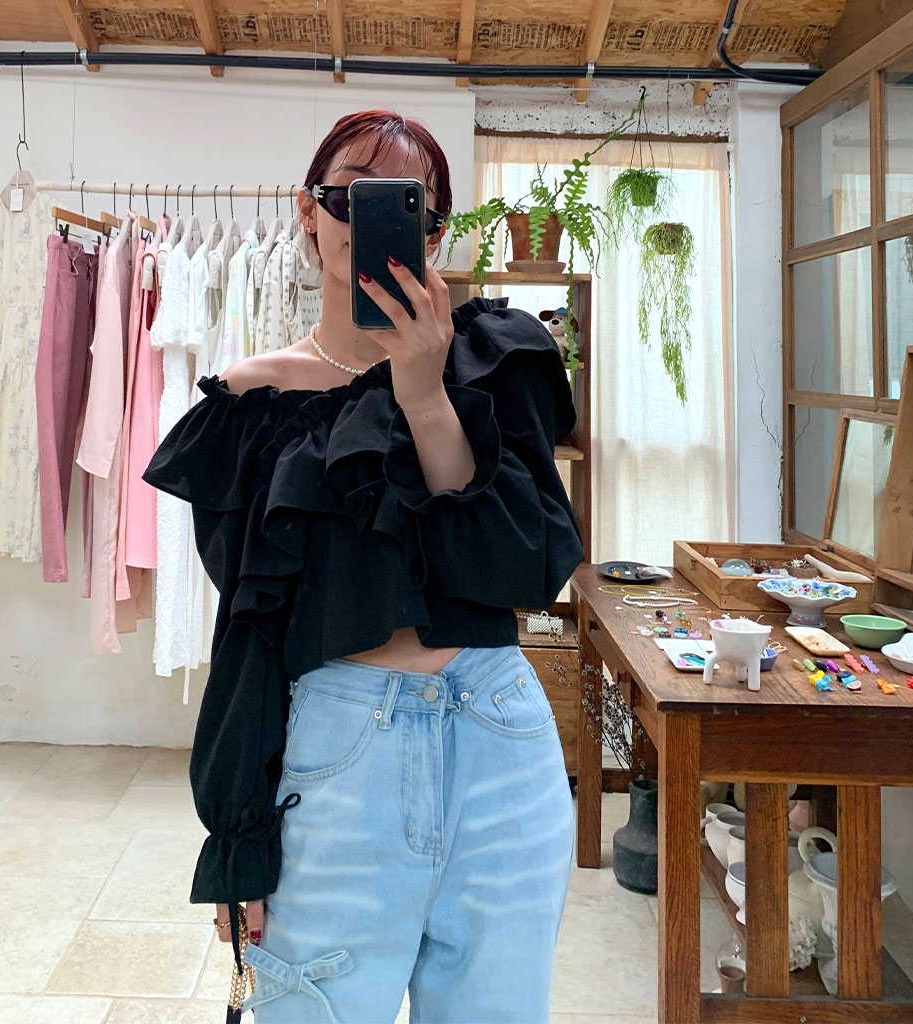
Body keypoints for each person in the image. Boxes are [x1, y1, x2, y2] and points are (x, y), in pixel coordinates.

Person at [143, 108, 584, 1022]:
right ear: (308, 211)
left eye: (410, 203)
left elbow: (522, 569)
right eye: (349, 194)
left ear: (436, 232)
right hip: (341, 751)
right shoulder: (252, 403)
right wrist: (238, 844)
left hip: (502, 745)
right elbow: (252, 634)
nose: (367, 217)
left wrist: (424, 393)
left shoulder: (497, 359)